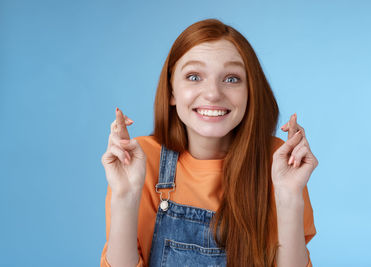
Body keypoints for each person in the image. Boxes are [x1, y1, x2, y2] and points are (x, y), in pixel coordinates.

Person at [100, 19, 318, 267]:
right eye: (194, 76)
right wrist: (124, 196)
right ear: (172, 91)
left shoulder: (277, 161)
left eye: (232, 79)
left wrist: (289, 195)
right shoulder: (140, 159)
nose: (213, 93)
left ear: (250, 91)